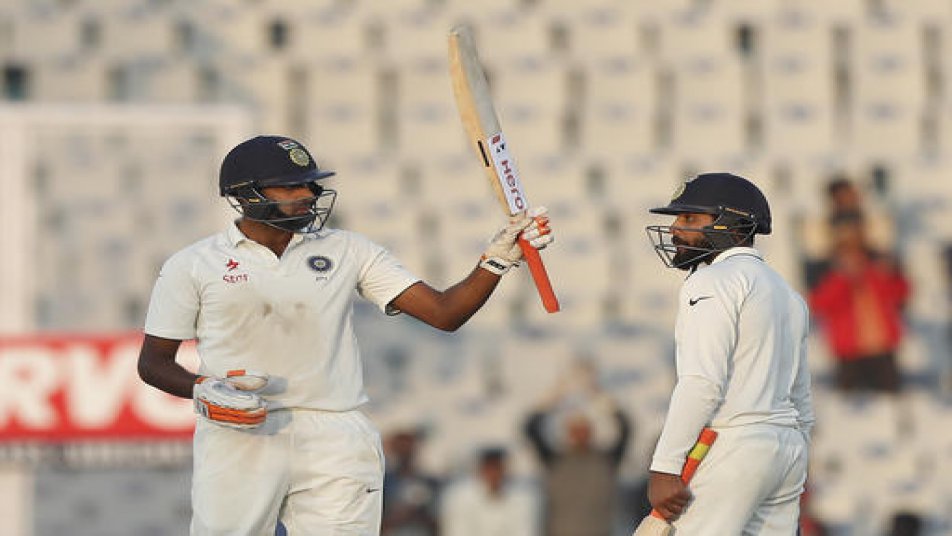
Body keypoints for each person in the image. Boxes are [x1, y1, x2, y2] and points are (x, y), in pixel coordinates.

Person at [136, 135, 553, 535]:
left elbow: (445, 313)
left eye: (309, 184)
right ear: (246, 194)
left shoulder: (348, 249)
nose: (307, 194)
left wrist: (496, 260)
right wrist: (204, 389)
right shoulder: (193, 264)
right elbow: (153, 363)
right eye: (290, 187)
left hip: (334, 430)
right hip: (241, 428)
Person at [642, 173, 815, 533]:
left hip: (732, 446)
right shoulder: (788, 294)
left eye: (690, 218)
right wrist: (794, 454)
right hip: (787, 450)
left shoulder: (712, 280)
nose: (674, 229)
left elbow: (702, 382)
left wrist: (665, 466)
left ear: (731, 226)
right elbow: (801, 398)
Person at [524, 361, 631, 536]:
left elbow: (626, 428)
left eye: (583, 429)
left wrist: (598, 396)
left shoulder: (606, 461)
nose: (580, 434)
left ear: (591, 431)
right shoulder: (555, 461)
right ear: (568, 433)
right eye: (575, 429)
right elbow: (530, 428)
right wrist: (554, 396)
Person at [809, 211, 910, 394]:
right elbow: (819, 304)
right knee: (850, 399)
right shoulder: (828, 271)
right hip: (848, 349)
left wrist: (883, 274)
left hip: (881, 345)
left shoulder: (878, 266)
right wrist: (840, 278)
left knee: (888, 394)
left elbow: (901, 292)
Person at [440, 447, 541, 536]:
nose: (494, 474)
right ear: (480, 471)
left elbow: (524, 531)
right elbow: (458, 532)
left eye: (497, 468)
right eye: (489, 469)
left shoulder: (522, 499)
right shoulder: (460, 498)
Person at [380, 427, 441, 536]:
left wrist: (418, 514)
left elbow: (438, 521)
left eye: (408, 449)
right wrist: (399, 516)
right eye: (401, 449)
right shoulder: (383, 483)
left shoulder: (430, 483)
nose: (405, 454)